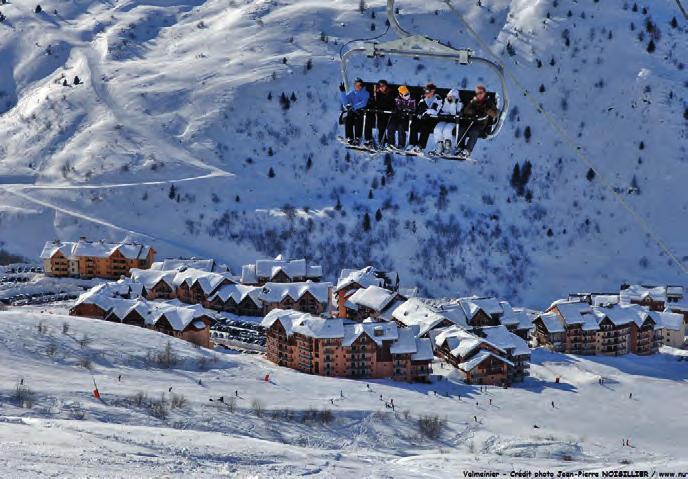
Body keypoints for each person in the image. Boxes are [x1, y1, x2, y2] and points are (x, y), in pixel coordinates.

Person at [456, 84, 498, 157]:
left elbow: (495, 114)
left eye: (480, 93)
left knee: (474, 132)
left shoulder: (488, 101)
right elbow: (466, 110)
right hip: (470, 121)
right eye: (477, 93)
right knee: (462, 129)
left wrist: (487, 110)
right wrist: (472, 109)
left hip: (480, 124)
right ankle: (460, 147)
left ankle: (467, 151)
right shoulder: (474, 101)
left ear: (484, 93)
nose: (479, 95)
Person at [409, 83, 442, 153]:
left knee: (425, 127)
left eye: (428, 91)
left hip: (432, 118)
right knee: (413, 125)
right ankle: (413, 144)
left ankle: (420, 146)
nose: (426, 93)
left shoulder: (437, 98)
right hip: (423, 117)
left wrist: (426, 112)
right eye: (425, 91)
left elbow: (435, 110)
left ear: (432, 91)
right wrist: (418, 111)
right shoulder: (423, 97)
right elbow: (419, 106)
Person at [339, 78, 370, 145]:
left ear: (362, 86)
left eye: (359, 85)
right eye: (355, 85)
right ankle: (349, 137)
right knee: (348, 119)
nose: (357, 87)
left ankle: (358, 138)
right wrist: (343, 92)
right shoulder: (352, 93)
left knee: (358, 120)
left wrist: (354, 107)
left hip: (361, 111)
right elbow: (345, 102)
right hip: (352, 111)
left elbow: (363, 103)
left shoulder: (365, 93)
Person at [432, 89, 462, 155]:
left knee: (447, 130)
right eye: (448, 96)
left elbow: (454, 113)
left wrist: (453, 103)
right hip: (445, 119)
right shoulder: (446, 101)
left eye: (451, 96)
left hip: (454, 121)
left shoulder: (459, 103)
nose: (449, 98)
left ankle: (448, 147)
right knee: (437, 129)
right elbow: (444, 110)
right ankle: (439, 146)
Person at [386, 85, 416, 150]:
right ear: (401, 94)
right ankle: (391, 144)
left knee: (401, 127)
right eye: (405, 95)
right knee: (391, 126)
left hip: (406, 117)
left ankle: (401, 145)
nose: (407, 96)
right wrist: (395, 109)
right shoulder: (397, 99)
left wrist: (406, 110)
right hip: (397, 116)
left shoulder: (412, 99)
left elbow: (413, 108)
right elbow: (397, 107)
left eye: (407, 94)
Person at [369, 80, 396, 148]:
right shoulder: (378, 94)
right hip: (381, 114)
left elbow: (393, 103)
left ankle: (390, 144)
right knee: (381, 127)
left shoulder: (390, 93)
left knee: (390, 127)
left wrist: (392, 109)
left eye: (383, 86)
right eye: (380, 86)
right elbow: (375, 103)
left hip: (389, 114)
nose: (381, 88)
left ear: (386, 86)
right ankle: (382, 143)